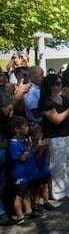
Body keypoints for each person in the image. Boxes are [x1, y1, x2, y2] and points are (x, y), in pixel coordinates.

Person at [38, 74, 69, 201]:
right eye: (57, 84)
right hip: (55, 136)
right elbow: (56, 119)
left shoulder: (63, 98)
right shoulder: (45, 102)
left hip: (68, 133)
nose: (60, 86)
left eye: (61, 83)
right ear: (50, 86)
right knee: (58, 165)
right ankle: (59, 192)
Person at [0, 77, 31, 222]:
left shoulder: (4, 91)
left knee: (10, 184)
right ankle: (4, 212)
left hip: (6, 141)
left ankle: (20, 210)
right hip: (3, 143)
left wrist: (20, 95)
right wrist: (17, 96)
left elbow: (16, 109)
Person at [4, 116, 38, 227]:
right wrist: (28, 148)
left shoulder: (24, 139)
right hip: (20, 174)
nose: (27, 128)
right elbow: (22, 159)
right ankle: (20, 217)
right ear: (17, 129)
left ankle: (28, 212)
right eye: (25, 126)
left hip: (27, 172)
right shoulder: (13, 144)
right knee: (19, 195)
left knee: (27, 192)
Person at [28, 122, 54, 212]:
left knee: (45, 185)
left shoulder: (41, 143)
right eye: (39, 133)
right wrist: (41, 148)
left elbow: (47, 154)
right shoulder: (31, 146)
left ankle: (46, 202)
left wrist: (46, 147)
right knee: (37, 187)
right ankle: (36, 203)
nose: (41, 134)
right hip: (36, 170)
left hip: (44, 168)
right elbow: (36, 157)